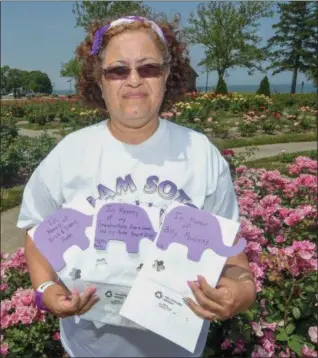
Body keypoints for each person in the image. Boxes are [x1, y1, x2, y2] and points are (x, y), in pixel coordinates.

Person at [17, 15, 256, 358]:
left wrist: (238, 292)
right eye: (117, 70)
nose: (133, 80)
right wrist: (44, 289)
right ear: (98, 81)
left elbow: (233, 256)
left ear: (167, 75)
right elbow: (36, 230)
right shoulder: (68, 154)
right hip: (87, 348)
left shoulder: (201, 154)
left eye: (148, 68)